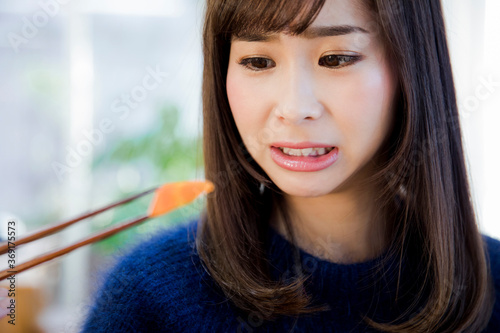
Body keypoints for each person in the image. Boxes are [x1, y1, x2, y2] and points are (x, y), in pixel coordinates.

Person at [81, 0, 500, 332]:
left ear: (414, 66)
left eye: (336, 58)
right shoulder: (150, 295)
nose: (295, 108)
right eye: (258, 62)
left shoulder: (492, 285)